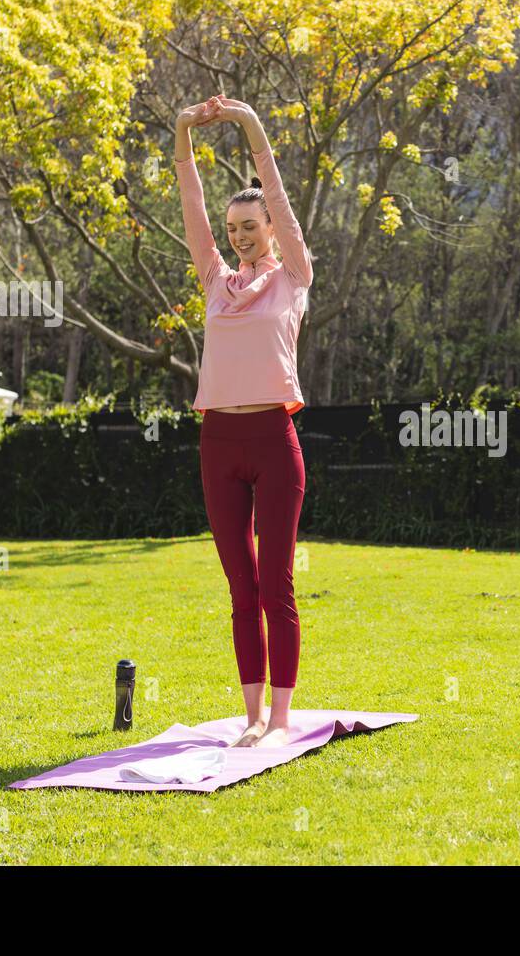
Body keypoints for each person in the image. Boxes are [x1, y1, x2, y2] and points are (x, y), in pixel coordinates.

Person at [174, 95, 314, 748]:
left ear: (269, 226)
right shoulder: (215, 281)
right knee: (239, 584)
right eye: (233, 227)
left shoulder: (293, 277)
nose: (238, 233)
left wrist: (251, 124)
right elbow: (192, 211)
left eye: (249, 224)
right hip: (218, 441)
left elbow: (280, 199)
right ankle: (252, 713)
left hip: (272, 440)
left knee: (275, 583)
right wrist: (182, 135)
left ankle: (281, 719)